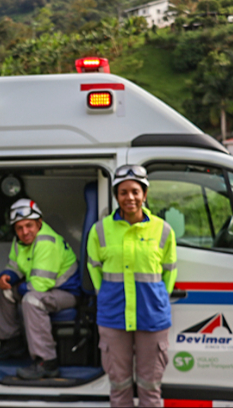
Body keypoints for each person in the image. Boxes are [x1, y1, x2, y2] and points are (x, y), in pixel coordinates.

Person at [86, 165, 177, 407]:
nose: (130, 198)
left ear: (145, 194)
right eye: (123, 192)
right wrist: (104, 293)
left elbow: (169, 271)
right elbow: (94, 267)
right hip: (113, 315)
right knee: (119, 387)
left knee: (150, 388)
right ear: (116, 196)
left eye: (136, 192)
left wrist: (159, 298)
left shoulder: (163, 230)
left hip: (152, 316)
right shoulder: (100, 230)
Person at [0, 198, 81, 380]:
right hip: (44, 288)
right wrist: (7, 276)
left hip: (67, 293)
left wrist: (18, 287)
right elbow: (14, 266)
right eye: (19, 228)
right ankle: (11, 342)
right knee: (2, 289)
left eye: (29, 225)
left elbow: (38, 286)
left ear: (39, 223)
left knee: (32, 300)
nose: (24, 232)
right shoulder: (19, 241)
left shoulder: (46, 242)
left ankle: (47, 362)